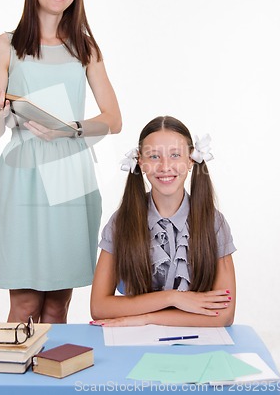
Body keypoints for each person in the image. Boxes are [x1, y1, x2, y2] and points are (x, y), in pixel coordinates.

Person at [0, 0, 122, 324]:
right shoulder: (4, 46)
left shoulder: (85, 49)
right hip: (22, 174)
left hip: (70, 174)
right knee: (24, 305)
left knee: (58, 306)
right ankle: (13, 382)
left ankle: (48, 382)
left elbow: (114, 118)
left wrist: (71, 129)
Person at [90, 115, 236, 327]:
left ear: (191, 161)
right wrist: (173, 297)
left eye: (175, 155)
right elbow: (99, 307)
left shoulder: (213, 223)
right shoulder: (121, 222)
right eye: (154, 157)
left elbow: (224, 315)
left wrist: (147, 319)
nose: (165, 166)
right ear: (140, 162)